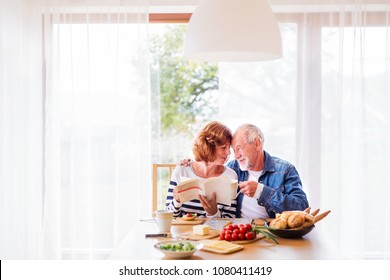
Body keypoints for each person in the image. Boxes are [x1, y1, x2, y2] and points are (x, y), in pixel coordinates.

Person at [227, 124, 309, 218]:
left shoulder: (285, 170)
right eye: (234, 150)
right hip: (240, 231)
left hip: (270, 231)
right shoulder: (233, 168)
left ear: (257, 144)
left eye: (239, 148)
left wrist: (261, 192)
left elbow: (302, 207)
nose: (236, 156)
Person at [165, 121, 238, 218]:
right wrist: (177, 201)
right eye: (224, 147)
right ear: (209, 147)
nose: (228, 152)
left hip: (214, 232)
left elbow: (230, 220)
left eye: (229, 148)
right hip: (183, 232)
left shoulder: (230, 176)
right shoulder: (182, 170)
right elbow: (168, 217)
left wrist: (214, 213)